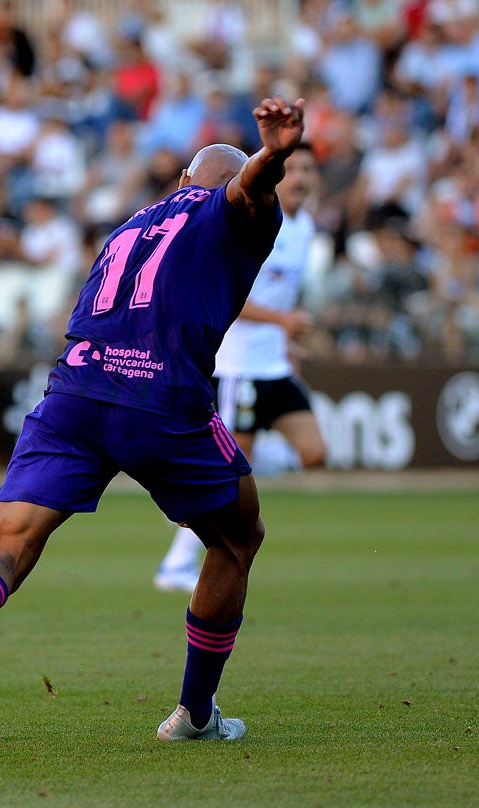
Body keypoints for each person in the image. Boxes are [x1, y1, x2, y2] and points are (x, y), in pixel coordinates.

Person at [0, 95, 306, 742]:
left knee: (7, 544)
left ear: (181, 180)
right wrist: (275, 154)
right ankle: (194, 714)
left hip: (72, 389)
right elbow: (246, 192)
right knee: (238, 539)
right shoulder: (225, 211)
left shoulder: (130, 224)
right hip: (158, 396)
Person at [154, 141, 327, 594]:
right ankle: (177, 562)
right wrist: (283, 322)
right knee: (229, 475)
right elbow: (233, 296)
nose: (304, 178)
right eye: (296, 170)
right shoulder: (253, 225)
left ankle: (198, 536)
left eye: (310, 169)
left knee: (314, 453)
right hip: (239, 367)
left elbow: (282, 295)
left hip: (274, 365)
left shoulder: (305, 228)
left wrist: (286, 340)